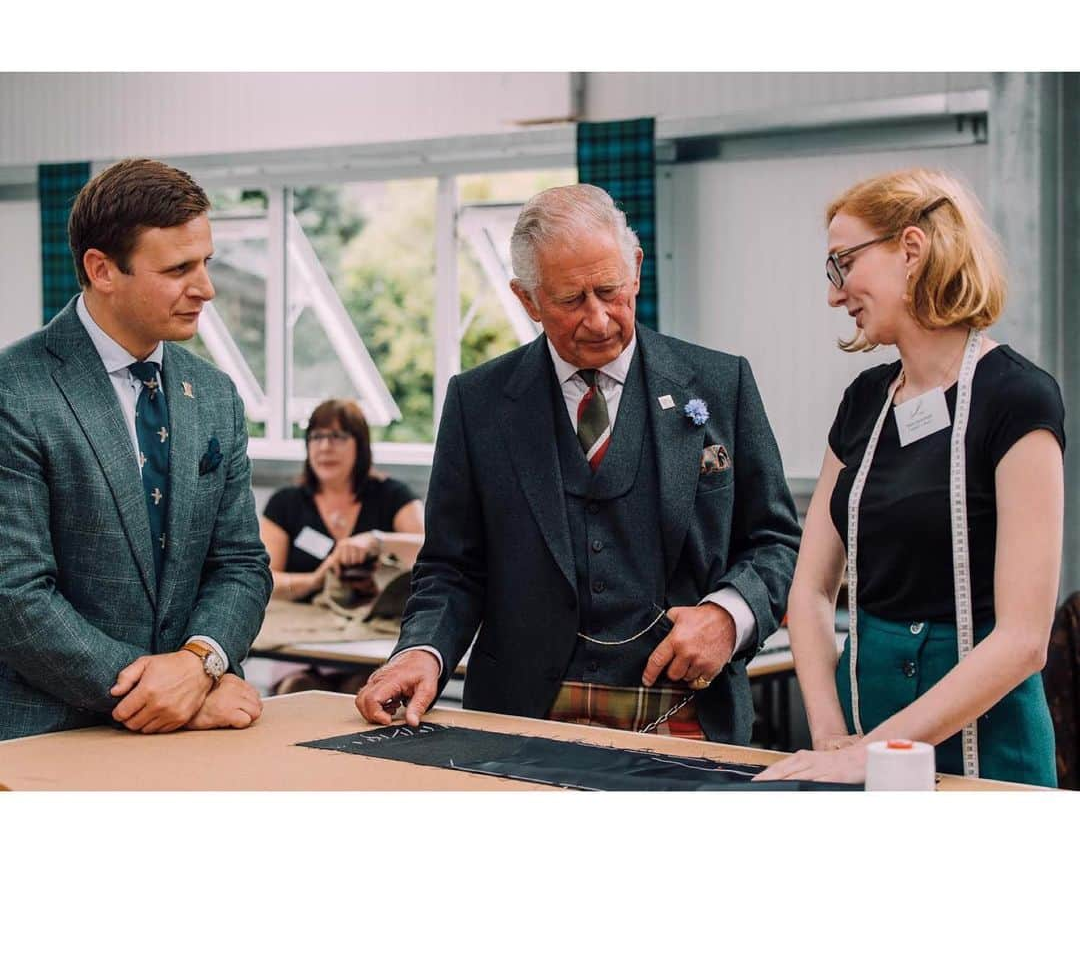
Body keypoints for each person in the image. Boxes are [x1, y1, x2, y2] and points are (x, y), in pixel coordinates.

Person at [357, 184, 800, 743]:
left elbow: (775, 540)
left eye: (610, 290)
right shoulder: (479, 403)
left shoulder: (721, 384)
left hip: (685, 713)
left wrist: (729, 616)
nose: (598, 320)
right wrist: (422, 651)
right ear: (527, 300)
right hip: (520, 718)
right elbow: (451, 566)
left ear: (636, 269)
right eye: (570, 300)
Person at [757, 168, 1064, 786]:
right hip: (866, 726)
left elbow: (1024, 640)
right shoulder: (864, 402)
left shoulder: (1019, 399)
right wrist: (832, 737)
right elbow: (811, 590)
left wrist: (868, 753)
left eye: (842, 263)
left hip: (989, 744)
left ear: (912, 250)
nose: (834, 293)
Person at [0, 158, 271, 741]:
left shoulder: (217, 395)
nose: (206, 288)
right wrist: (164, 697)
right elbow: (15, 595)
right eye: (178, 269)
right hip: (53, 738)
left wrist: (200, 664)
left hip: (201, 737)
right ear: (102, 269)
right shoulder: (14, 391)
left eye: (205, 263)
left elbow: (241, 564)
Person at [260, 398, 424, 605]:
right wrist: (314, 580)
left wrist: (376, 541)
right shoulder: (284, 503)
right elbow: (264, 580)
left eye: (338, 437)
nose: (325, 447)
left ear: (361, 445)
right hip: (299, 626)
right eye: (317, 437)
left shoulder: (394, 495)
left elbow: (429, 551)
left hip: (377, 629)